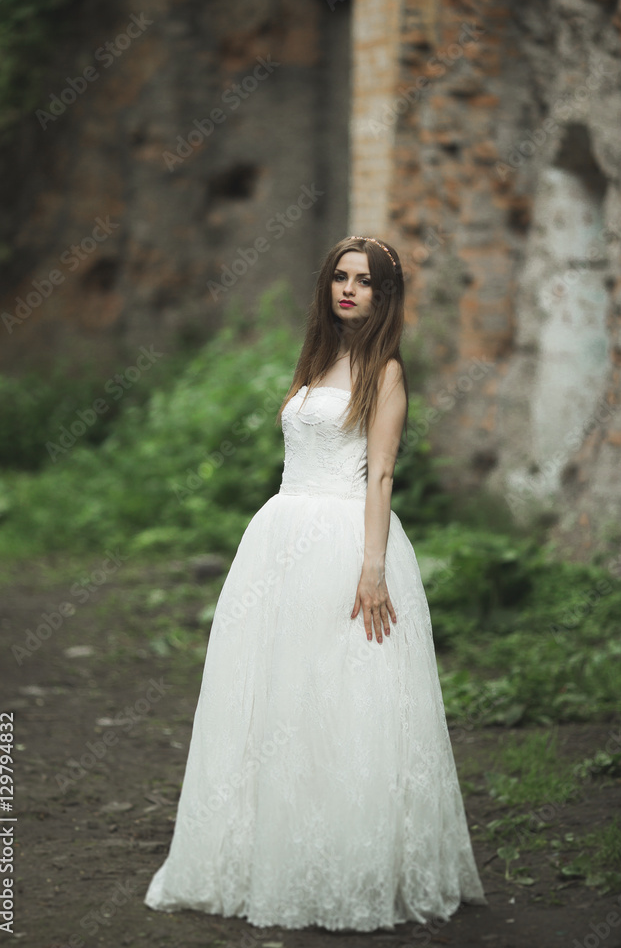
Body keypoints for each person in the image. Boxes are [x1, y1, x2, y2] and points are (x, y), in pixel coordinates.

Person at [144, 235, 487, 932]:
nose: (349, 289)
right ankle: (263, 853)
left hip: (343, 540)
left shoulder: (384, 372)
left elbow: (381, 473)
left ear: (384, 296)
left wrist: (372, 565)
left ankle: (346, 860)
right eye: (340, 277)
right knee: (274, 694)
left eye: (364, 281)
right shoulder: (317, 359)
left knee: (342, 696)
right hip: (277, 540)